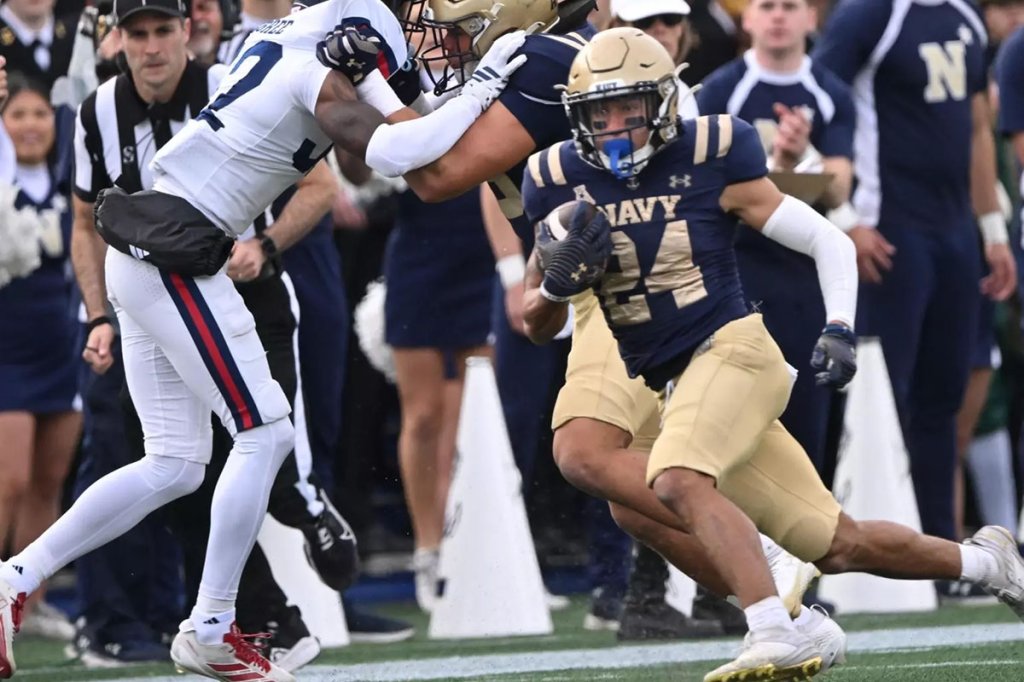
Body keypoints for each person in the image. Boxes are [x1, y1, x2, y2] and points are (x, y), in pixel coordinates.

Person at [0, 0, 527, 678]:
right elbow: (399, 152)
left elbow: (404, 117)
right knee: (266, 430)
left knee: (176, 462)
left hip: (158, 248)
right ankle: (211, 624)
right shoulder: (317, 63)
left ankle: (13, 578)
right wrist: (484, 90)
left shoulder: (305, 39)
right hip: (176, 252)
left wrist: (442, 94)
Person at [520, 27, 1024, 681]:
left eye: (631, 110)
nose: (615, 127)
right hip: (670, 377)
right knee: (836, 542)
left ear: (663, 106)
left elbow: (830, 241)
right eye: (599, 113)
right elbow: (538, 325)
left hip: (734, 352)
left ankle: (770, 627)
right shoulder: (554, 178)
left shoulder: (711, 153)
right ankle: (991, 563)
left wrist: (838, 325)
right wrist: (555, 285)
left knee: (675, 478)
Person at [812, 0, 1017, 547]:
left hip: (953, 231)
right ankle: (860, 543)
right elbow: (818, 108)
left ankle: (942, 552)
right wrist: (847, 218)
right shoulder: (869, 16)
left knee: (944, 397)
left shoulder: (965, 16)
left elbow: (977, 127)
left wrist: (992, 229)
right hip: (888, 230)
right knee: (882, 395)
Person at [696, 0, 854, 478]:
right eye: (766, 6)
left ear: (812, 17)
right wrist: (770, 166)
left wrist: (802, 152)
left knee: (807, 417)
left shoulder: (829, 91)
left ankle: (808, 539)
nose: (778, 16)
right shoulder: (721, 88)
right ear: (747, 18)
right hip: (739, 270)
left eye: (790, 5)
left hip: (805, 273)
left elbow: (843, 185)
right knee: (735, 417)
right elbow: (700, 182)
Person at [0, 73, 79, 642]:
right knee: (8, 480)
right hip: (7, 347)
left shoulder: (69, 178)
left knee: (49, 481)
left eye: (40, 114)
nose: (31, 125)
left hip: (62, 344)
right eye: (18, 114)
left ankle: (31, 599)